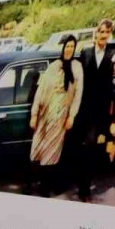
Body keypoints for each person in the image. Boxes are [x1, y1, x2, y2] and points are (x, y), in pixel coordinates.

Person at [74, 18, 115, 201]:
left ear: (110, 34)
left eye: (107, 32)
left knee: (91, 147)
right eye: (101, 31)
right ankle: (79, 185)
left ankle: (85, 188)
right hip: (83, 108)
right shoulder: (85, 52)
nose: (104, 35)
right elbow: (76, 75)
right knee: (81, 146)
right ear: (96, 33)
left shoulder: (113, 51)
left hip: (100, 112)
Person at [29, 35, 85, 196]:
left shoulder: (77, 67)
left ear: (74, 49)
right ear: (63, 47)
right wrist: (34, 114)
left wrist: (71, 116)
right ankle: (38, 183)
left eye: (72, 47)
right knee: (39, 148)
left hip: (62, 115)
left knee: (52, 151)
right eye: (67, 46)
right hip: (45, 113)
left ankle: (46, 187)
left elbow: (78, 94)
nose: (69, 49)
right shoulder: (54, 66)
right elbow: (40, 90)